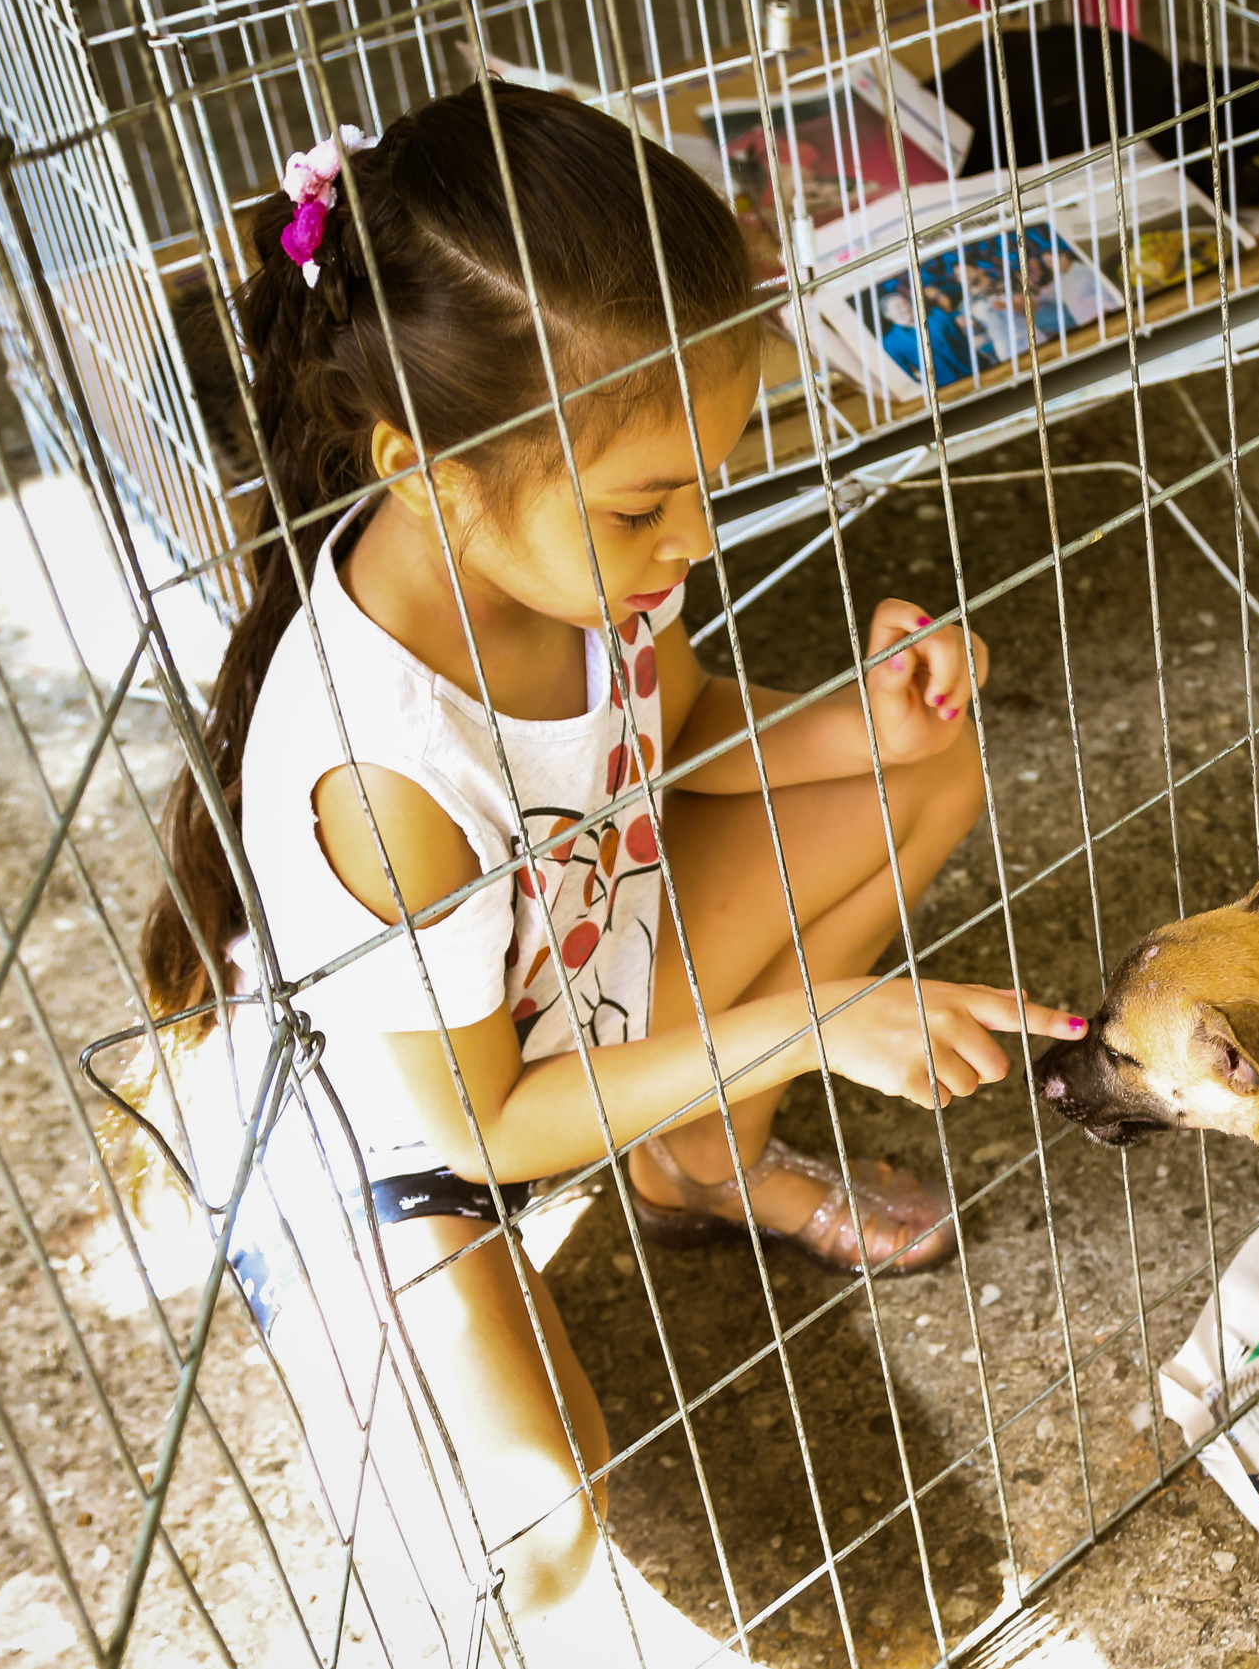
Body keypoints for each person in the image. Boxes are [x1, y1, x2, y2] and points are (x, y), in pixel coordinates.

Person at [138, 83, 1081, 1633]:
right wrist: (813, 1024)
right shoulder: (377, 766)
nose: (693, 536)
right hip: (418, 1139)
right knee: (541, 1536)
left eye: (704, 479)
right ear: (428, 467)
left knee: (935, 771)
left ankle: (695, 1163)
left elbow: (686, 728)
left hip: (580, 972)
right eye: (652, 501)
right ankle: (384, 1304)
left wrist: (877, 724)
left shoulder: (585, 568)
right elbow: (488, 1124)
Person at [873, 282, 976, 386]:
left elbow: (961, 325)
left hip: (973, 369)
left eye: (904, 303)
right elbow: (905, 373)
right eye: (898, 307)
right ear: (887, 315)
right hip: (942, 385)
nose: (904, 308)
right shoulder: (890, 342)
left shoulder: (936, 315)